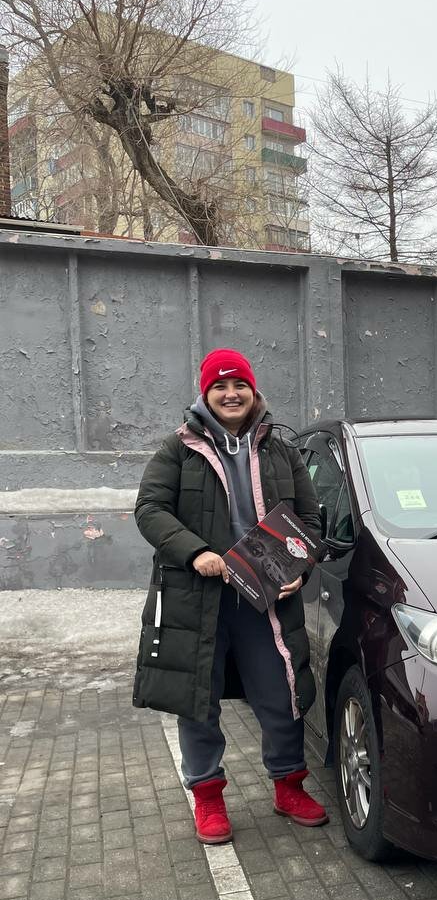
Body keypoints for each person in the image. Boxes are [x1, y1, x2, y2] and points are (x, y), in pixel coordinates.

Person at [133, 347, 328, 844]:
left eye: (239, 384)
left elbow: (310, 520)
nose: (231, 393)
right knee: (198, 699)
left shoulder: (281, 450)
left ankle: (289, 787)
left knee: (283, 693)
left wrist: (300, 567)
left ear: (252, 390)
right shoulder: (178, 449)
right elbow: (150, 509)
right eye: (219, 386)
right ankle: (208, 797)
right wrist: (195, 551)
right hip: (198, 596)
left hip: (266, 596)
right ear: (206, 394)